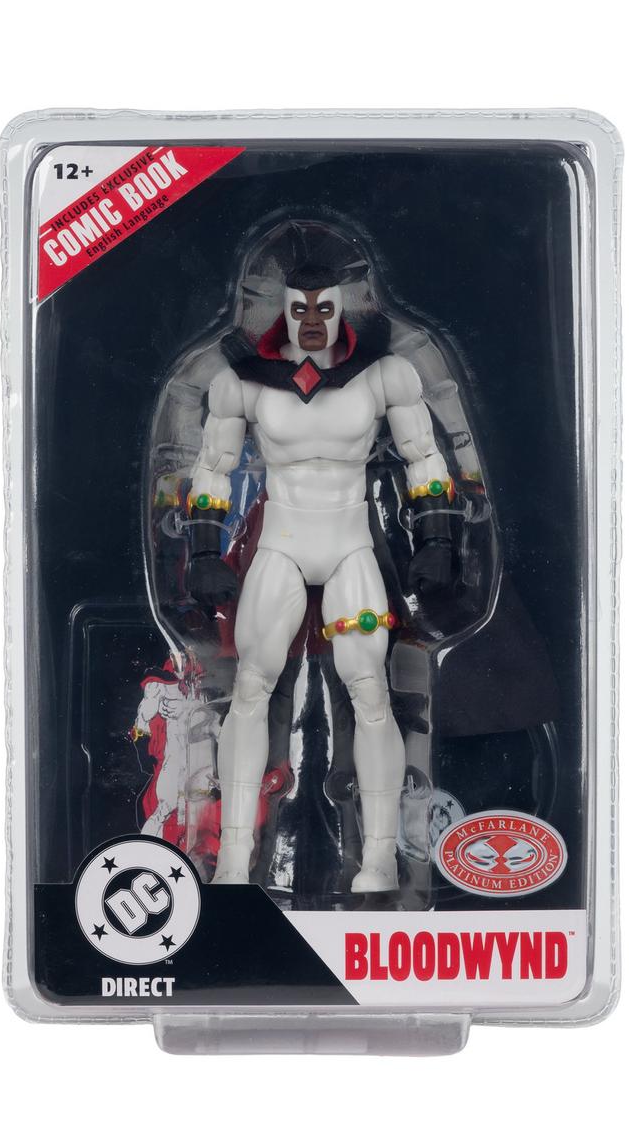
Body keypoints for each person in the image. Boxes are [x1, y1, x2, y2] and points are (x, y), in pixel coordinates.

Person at [186, 263, 455, 891]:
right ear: (282, 310)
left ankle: (380, 859)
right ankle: (233, 859)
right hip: (280, 544)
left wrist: (437, 537)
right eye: (300, 309)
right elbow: (212, 465)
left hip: (349, 542)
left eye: (324, 308)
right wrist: (202, 551)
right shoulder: (244, 382)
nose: (312, 321)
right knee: (251, 688)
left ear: (342, 308)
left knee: (370, 690)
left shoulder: (383, 375)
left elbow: (423, 455)